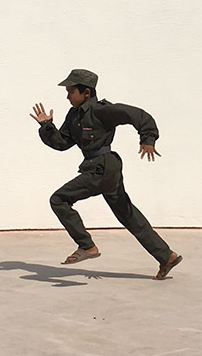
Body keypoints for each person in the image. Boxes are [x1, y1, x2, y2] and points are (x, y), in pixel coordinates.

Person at [30, 68, 182, 280]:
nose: (67, 96)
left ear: (86, 93)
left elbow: (138, 116)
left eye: (71, 91)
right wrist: (47, 126)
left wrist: (148, 139)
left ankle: (87, 246)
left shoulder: (102, 110)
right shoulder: (74, 115)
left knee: (59, 199)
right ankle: (167, 256)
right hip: (101, 168)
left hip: (102, 167)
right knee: (128, 215)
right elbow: (62, 143)